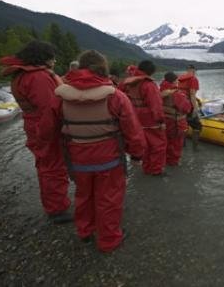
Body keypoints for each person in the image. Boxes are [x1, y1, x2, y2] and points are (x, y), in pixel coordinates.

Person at [39, 50, 146, 252]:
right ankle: (109, 240)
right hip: (110, 160)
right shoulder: (117, 96)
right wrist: (137, 154)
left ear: (79, 67)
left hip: (77, 160)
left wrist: (47, 150)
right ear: (102, 68)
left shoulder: (60, 96)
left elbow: (45, 130)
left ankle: (85, 232)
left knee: (83, 196)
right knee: (109, 199)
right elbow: (133, 130)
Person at [0, 40, 72, 223]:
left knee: (46, 165)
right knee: (53, 167)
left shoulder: (21, 75)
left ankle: (54, 205)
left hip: (33, 124)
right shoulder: (38, 77)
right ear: (43, 58)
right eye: (52, 58)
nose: (54, 62)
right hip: (44, 127)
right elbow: (50, 108)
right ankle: (57, 210)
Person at [121, 60, 167, 176]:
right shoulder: (148, 84)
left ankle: (146, 168)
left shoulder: (127, 83)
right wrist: (161, 120)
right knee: (158, 145)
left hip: (135, 118)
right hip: (150, 121)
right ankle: (156, 171)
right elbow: (156, 105)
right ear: (150, 72)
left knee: (144, 145)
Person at [160, 72, 192, 166]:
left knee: (166, 143)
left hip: (164, 122)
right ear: (174, 81)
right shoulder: (176, 93)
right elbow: (187, 108)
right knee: (176, 145)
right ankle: (173, 163)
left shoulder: (159, 91)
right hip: (175, 124)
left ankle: (165, 161)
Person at [178, 64, 201, 149]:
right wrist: (195, 108)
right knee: (197, 126)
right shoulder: (193, 79)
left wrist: (197, 99)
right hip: (188, 105)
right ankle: (195, 148)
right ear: (194, 70)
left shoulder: (180, 78)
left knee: (184, 125)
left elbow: (182, 92)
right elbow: (191, 94)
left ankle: (182, 146)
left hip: (180, 105)